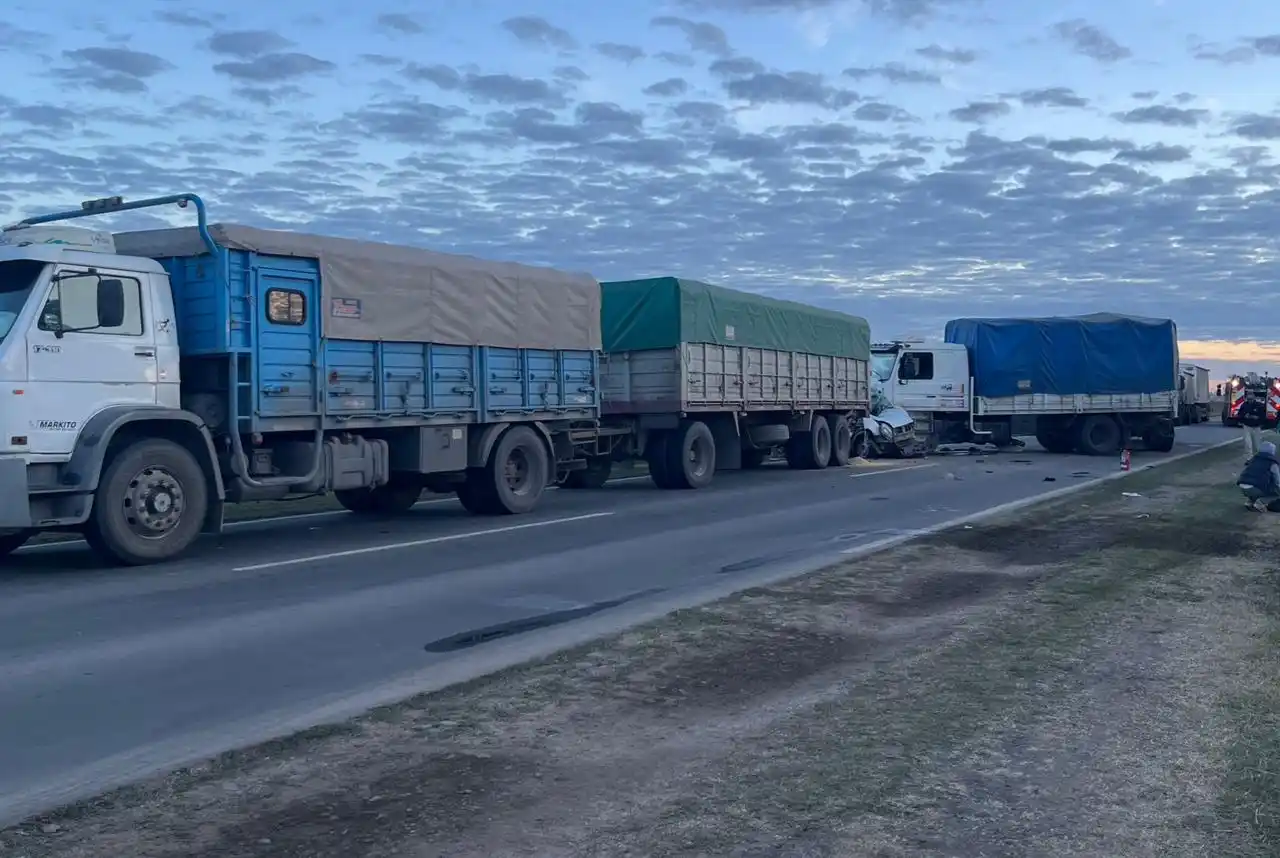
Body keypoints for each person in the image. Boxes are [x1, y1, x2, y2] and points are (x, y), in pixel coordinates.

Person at [1238, 440, 1280, 511]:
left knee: (1256, 485)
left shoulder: (1253, 459)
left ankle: (1249, 502)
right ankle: (1260, 502)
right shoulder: (1272, 463)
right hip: (1254, 488)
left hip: (1242, 486)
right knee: (1275, 492)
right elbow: (1277, 482)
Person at [1238, 392, 1266, 460]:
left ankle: (1257, 458)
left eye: (1251, 399)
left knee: (1257, 444)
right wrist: (1244, 416)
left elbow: (1263, 415)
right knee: (1248, 443)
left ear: (1254, 398)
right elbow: (1240, 414)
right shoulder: (1244, 405)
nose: (1250, 400)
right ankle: (1249, 458)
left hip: (1256, 427)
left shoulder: (1259, 405)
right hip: (1247, 426)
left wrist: (1258, 418)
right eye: (1248, 399)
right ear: (1246, 398)